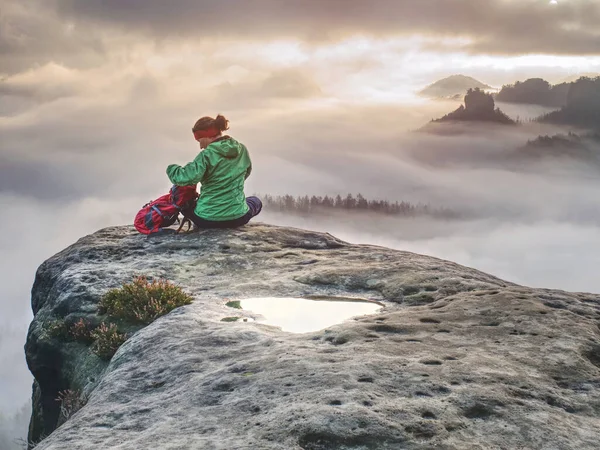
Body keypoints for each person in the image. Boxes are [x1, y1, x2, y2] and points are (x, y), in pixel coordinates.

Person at [166, 114, 262, 229]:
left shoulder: (206, 155)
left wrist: (171, 168)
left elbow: (186, 178)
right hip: (239, 217)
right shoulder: (242, 150)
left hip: (207, 220)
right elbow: (246, 172)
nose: (201, 146)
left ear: (208, 136)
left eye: (200, 141)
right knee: (255, 201)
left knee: (185, 206)